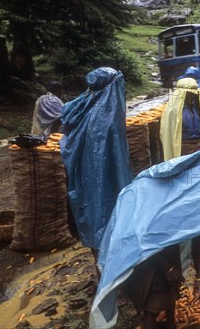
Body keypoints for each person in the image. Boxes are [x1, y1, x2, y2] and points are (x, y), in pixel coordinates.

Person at [90, 148, 200, 328]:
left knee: (171, 290)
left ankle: (170, 322)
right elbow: (144, 237)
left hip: (166, 251)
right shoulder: (154, 195)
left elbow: (199, 240)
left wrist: (199, 278)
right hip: (140, 252)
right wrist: (167, 268)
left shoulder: (198, 204)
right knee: (152, 303)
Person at [60, 67, 133, 258]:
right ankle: (109, 274)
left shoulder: (82, 106)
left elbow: (66, 142)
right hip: (103, 178)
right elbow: (116, 160)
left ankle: (100, 270)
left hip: (84, 177)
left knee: (93, 218)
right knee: (107, 215)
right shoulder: (107, 117)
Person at [160, 77, 200, 160]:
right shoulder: (173, 110)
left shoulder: (196, 108)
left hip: (198, 144)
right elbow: (168, 132)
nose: (192, 97)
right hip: (184, 146)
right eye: (189, 94)